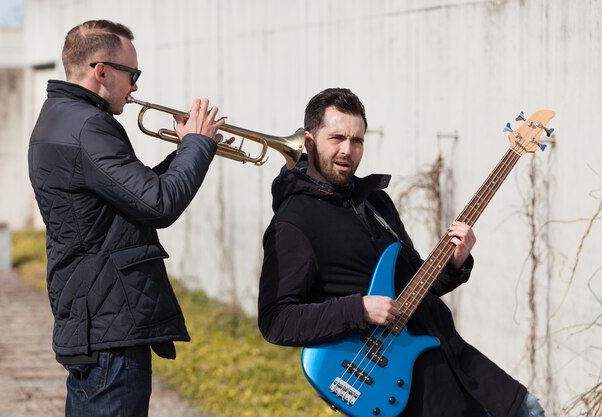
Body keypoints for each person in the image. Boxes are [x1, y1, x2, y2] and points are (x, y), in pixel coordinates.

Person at [257, 88, 545, 417]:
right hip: (404, 388)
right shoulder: (294, 222)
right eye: (336, 138)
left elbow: (420, 283)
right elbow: (276, 321)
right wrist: (359, 309)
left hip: (452, 356)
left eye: (357, 141)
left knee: (530, 409)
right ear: (308, 141)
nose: (347, 150)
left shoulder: (376, 203)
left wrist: (454, 263)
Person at [28, 20, 225, 417]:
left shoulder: (62, 117)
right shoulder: (89, 127)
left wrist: (189, 150)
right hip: (109, 326)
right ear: (101, 71)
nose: (135, 86)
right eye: (132, 74)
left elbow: (132, 194)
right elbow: (159, 204)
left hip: (93, 313)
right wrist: (197, 146)